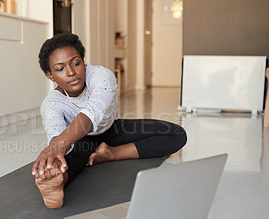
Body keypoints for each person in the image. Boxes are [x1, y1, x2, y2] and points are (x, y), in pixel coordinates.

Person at [32, 33, 187, 208]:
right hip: (80, 140)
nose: (71, 72)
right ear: (51, 75)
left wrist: (59, 142)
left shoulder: (101, 76)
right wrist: (55, 154)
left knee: (176, 134)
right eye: (60, 69)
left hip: (111, 129)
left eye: (76, 63)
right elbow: (57, 134)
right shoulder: (51, 104)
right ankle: (56, 183)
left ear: (84, 62)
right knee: (68, 158)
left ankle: (110, 154)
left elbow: (93, 112)